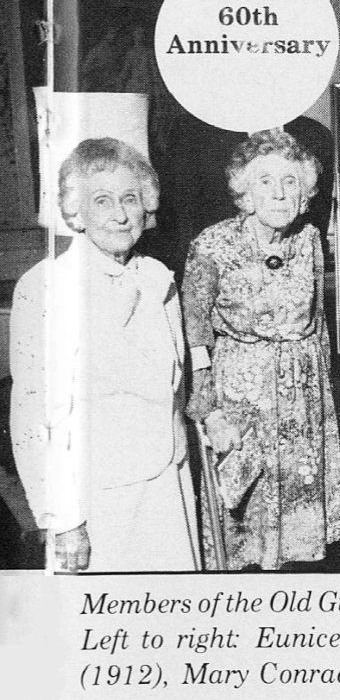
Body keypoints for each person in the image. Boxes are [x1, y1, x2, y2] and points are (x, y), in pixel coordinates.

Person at [9, 137, 199, 572]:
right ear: (76, 210)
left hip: (167, 488)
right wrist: (63, 520)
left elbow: (173, 388)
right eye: (102, 200)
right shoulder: (44, 288)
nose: (119, 214)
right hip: (97, 500)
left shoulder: (158, 280)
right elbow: (33, 417)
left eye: (130, 198)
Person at [182, 128, 340, 570]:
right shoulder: (212, 245)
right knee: (244, 508)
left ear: (305, 191)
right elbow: (193, 332)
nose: (279, 193)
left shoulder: (310, 238)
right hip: (244, 394)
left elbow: (319, 319)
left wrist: (323, 388)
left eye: (290, 181)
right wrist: (208, 409)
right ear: (245, 192)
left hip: (303, 394)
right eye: (265, 181)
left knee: (298, 509)